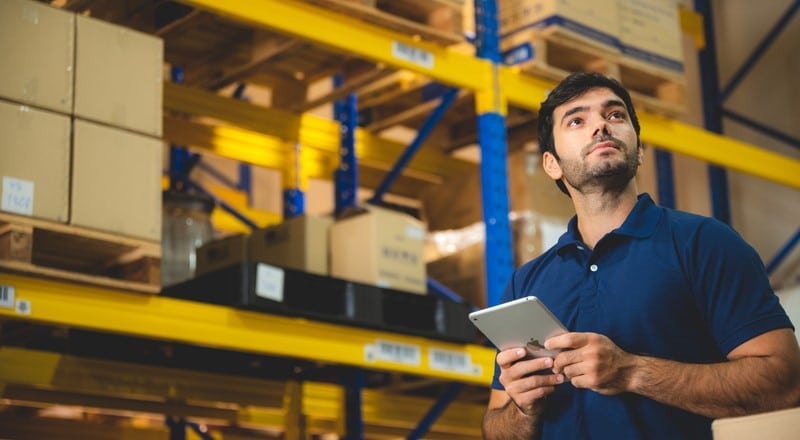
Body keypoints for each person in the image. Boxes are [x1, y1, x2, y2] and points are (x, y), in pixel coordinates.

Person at [482, 72, 800, 439]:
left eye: (615, 115)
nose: (601, 126)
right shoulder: (527, 282)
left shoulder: (704, 243)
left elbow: (784, 383)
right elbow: (495, 429)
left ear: (639, 149)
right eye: (577, 120)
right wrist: (524, 408)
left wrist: (631, 371)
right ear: (551, 163)